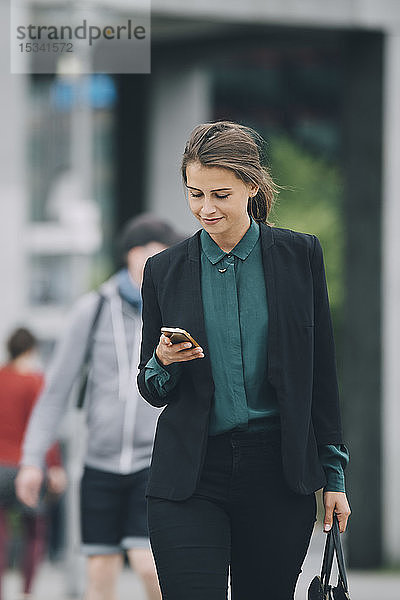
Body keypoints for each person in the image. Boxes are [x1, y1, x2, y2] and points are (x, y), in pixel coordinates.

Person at [137, 121, 351, 600]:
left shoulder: (300, 256)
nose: (205, 208)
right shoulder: (163, 270)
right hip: (190, 476)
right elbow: (151, 388)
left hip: (277, 473)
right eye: (194, 194)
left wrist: (334, 478)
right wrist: (163, 361)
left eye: (220, 194)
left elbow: (320, 375)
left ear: (251, 187)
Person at [16, 215, 183, 600]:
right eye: (160, 253)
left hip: (152, 462)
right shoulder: (91, 310)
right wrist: (31, 459)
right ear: (136, 254)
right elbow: (55, 390)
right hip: (99, 463)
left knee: (148, 564)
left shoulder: (172, 309)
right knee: (99, 573)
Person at [0, 327, 66, 600]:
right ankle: (27, 593)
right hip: (26, 467)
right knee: (35, 532)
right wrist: (54, 466)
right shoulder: (35, 380)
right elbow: (43, 427)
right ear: (31, 350)